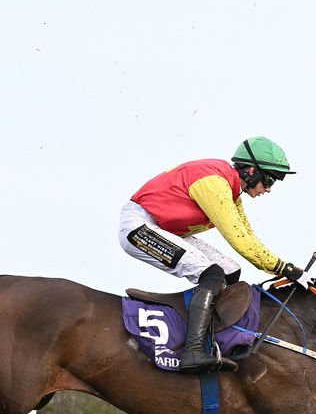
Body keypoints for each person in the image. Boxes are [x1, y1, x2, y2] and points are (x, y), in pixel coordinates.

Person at [120, 136, 304, 372]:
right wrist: (282, 268)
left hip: (162, 228)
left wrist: (282, 266)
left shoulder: (231, 190)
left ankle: (212, 339)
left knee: (230, 271)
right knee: (212, 274)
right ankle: (192, 351)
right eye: (268, 180)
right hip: (138, 226)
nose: (268, 189)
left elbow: (248, 234)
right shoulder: (214, 183)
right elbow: (240, 241)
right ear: (250, 170)